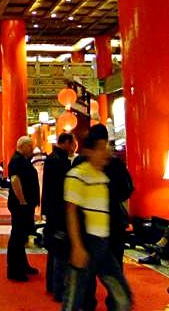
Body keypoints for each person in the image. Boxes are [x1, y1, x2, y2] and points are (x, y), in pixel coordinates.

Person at [62, 125, 132, 311]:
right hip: (87, 241)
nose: (106, 152)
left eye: (106, 147)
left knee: (122, 293)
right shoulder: (78, 175)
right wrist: (77, 246)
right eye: (101, 148)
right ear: (89, 151)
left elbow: (124, 191)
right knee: (74, 296)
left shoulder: (103, 173)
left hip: (105, 240)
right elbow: (71, 211)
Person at [41, 132, 77, 302]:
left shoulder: (53, 159)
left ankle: (52, 284)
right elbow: (60, 189)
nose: (74, 147)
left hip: (53, 210)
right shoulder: (58, 161)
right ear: (67, 142)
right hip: (59, 211)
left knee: (55, 250)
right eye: (73, 143)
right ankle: (59, 288)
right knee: (60, 252)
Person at [6, 135, 40, 281]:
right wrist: (22, 201)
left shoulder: (23, 160)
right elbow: (15, 180)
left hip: (25, 204)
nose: (32, 149)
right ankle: (14, 270)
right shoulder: (16, 161)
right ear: (23, 146)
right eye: (30, 146)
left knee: (22, 236)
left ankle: (23, 265)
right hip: (20, 205)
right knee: (17, 236)